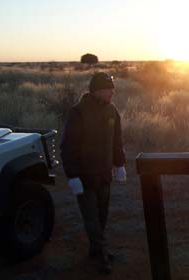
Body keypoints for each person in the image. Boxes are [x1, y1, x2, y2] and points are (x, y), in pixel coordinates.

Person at [60, 72, 127, 274]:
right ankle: (101, 255)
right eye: (109, 88)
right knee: (91, 218)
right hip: (85, 176)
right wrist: (72, 176)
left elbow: (117, 141)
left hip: (104, 175)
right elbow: (68, 147)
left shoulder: (112, 111)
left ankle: (96, 248)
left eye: (112, 88)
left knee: (102, 215)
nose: (113, 92)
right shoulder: (78, 112)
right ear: (97, 90)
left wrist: (120, 164)